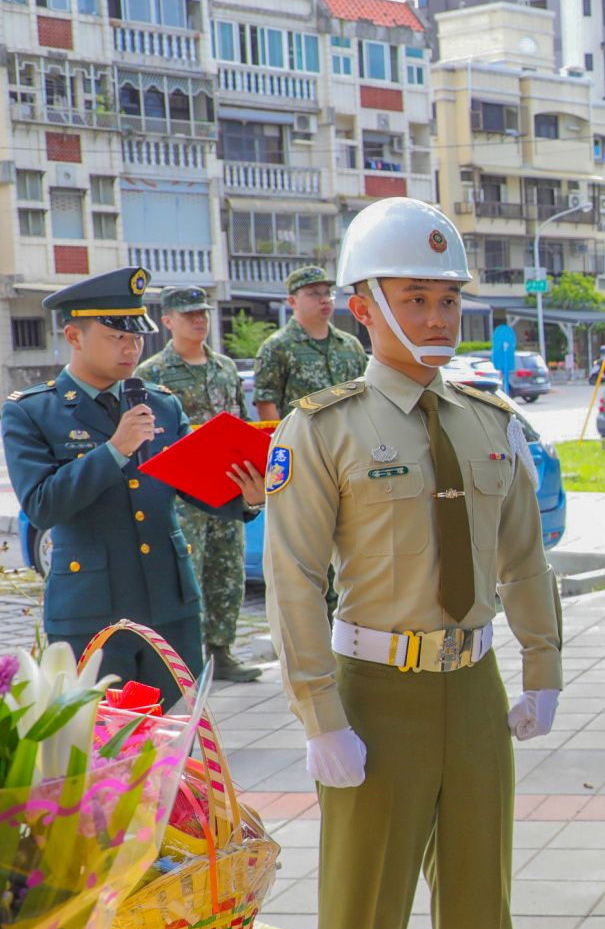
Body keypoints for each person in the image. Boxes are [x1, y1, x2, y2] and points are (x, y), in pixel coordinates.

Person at [264, 198, 563, 929]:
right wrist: (320, 714)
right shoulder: (323, 428)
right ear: (363, 309)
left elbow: (525, 555)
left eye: (448, 299)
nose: (437, 318)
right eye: (416, 299)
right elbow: (293, 576)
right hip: (376, 698)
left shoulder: (488, 421)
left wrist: (543, 664)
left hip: (474, 690)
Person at [3, 267, 263, 696]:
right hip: (91, 612)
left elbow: (191, 484)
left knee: (178, 741)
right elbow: (42, 505)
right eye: (116, 337)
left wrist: (247, 497)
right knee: (105, 747)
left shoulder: (159, 403)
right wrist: (114, 451)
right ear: (74, 336)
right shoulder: (32, 411)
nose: (131, 348)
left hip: (170, 605)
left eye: (137, 337)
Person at [136, 286, 262, 683]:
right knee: (187, 572)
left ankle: (222, 652)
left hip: (227, 488)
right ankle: (184, 658)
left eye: (203, 313)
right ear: (168, 320)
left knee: (228, 572)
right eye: (189, 314)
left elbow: (240, 422)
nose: (199, 320)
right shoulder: (151, 372)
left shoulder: (224, 366)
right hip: (183, 492)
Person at [252, 265, 368, 421]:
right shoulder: (277, 347)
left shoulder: (350, 345)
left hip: (349, 439)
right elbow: (266, 404)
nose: (325, 300)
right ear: (293, 301)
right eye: (314, 294)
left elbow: (365, 394)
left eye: (327, 293)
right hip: (302, 441)